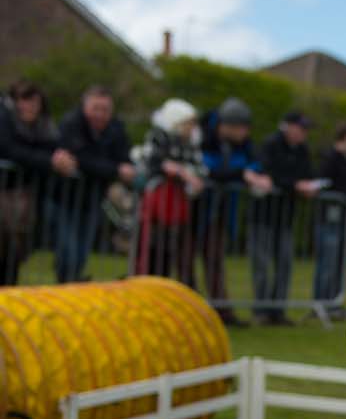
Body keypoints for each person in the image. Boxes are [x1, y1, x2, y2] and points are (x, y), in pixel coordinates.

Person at [199, 98, 271, 326]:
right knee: (184, 261)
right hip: (195, 212)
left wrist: (251, 172)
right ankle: (190, 311)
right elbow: (210, 169)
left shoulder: (242, 144)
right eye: (242, 128)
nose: (246, 133)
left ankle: (222, 311)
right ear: (227, 125)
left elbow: (255, 163)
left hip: (219, 212)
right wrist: (243, 174)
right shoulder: (204, 139)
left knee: (215, 260)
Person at [53, 86, 136, 283]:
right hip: (62, 198)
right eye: (95, 108)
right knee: (68, 250)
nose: (100, 114)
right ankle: (65, 285)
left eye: (105, 109)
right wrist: (116, 170)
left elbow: (124, 157)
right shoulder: (71, 123)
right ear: (84, 106)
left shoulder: (116, 128)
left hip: (92, 199)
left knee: (82, 251)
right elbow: (81, 158)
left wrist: (125, 168)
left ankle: (71, 286)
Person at [0, 79, 69, 285]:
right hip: (5, 193)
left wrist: (58, 157)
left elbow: (54, 147)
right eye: (22, 100)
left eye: (33, 101)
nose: (27, 106)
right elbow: (8, 149)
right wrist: (48, 160)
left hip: (27, 197)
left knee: (16, 251)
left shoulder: (45, 126)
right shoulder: (4, 120)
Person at [255, 111, 321, 325]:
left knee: (284, 263)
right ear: (288, 126)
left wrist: (308, 186)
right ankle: (262, 310)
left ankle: (278, 310)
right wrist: (295, 185)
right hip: (264, 215)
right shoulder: (271, 144)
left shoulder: (302, 150)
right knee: (263, 264)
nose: (304, 133)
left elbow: (308, 174)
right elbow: (267, 173)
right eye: (301, 128)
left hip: (285, 217)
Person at [134, 99, 205, 287]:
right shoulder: (158, 137)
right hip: (157, 206)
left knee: (176, 251)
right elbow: (154, 162)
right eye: (187, 123)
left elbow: (199, 169)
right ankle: (144, 287)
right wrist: (179, 171)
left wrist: (192, 178)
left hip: (179, 206)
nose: (191, 128)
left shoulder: (191, 143)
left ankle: (168, 290)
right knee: (151, 248)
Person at [314, 120, 346, 314]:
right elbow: (324, 184)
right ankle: (322, 303)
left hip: (343, 219)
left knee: (338, 263)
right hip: (329, 219)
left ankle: (333, 302)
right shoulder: (330, 159)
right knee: (328, 262)